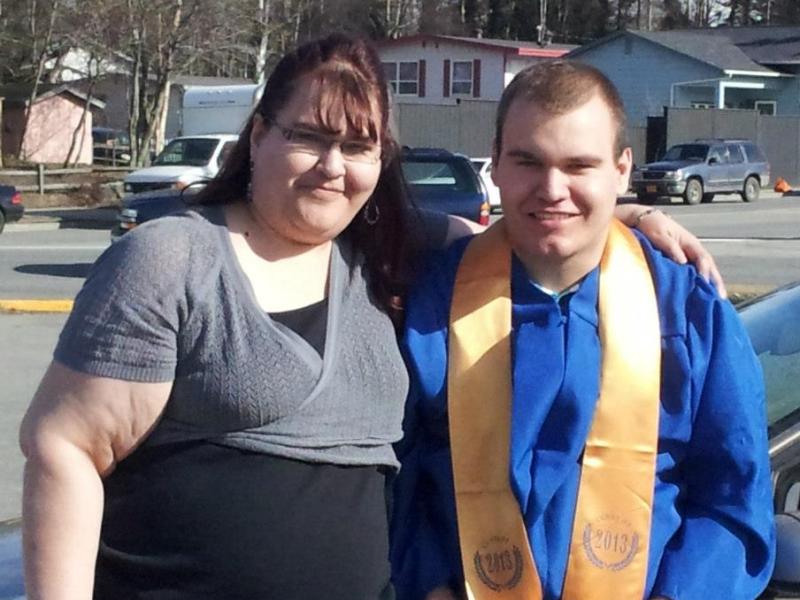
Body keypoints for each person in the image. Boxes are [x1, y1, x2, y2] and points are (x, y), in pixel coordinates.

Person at [19, 34, 727, 600]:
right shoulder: (173, 258)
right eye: (309, 137)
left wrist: (624, 213)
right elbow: (64, 449)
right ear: (258, 134)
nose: (333, 166)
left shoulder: (389, 254)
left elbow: (540, 219)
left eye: (358, 147)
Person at [391, 61, 775, 600]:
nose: (553, 189)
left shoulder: (689, 309)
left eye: (579, 165)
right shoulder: (431, 301)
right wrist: (428, 585)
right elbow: (394, 477)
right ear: (494, 163)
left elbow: (733, 495)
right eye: (528, 161)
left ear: (621, 171)